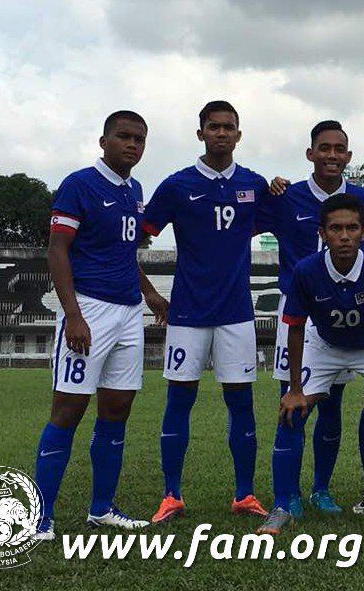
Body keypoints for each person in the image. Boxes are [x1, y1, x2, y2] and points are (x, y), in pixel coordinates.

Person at [33, 111, 168, 540]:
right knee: (68, 411)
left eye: (139, 139)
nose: (132, 144)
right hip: (89, 309)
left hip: (129, 312)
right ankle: (41, 517)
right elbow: (57, 250)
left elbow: (124, 253)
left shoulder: (135, 190)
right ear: (103, 141)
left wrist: (147, 292)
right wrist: (73, 313)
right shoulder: (79, 184)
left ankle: (102, 508)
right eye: (124, 137)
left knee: (116, 412)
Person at [142, 100, 270, 523]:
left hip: (237, 313)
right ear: (200, 133)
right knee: (180, 401)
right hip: (187, 314)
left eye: (228, 127)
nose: (220, 133)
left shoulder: (255, 185)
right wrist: (149, 292)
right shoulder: (177, 185)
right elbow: (131, 241)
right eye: (212, 126)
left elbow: (292, 224)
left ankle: (245, 495)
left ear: (238, 133)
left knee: (242, 404)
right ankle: (172, 495)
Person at [257, 194, 364, 535]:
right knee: (292, 412)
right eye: (336, 228)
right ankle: (282, 505)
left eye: (352, 228)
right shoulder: (306, 270)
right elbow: (295, 327)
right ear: (323, 233)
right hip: (324, 344)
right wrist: (295, 389)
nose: (344, 235)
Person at [256, 120, 364, 517]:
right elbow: (243, 220)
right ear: (309, 153)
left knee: (332, 404)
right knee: (292, 403)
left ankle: (321, 489)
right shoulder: (285, 196)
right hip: (297, 312)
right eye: (323, 147)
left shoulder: (362, 197)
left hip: (344, 308)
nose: (331, 155)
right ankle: (287, 493)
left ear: (348, 155)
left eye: (339, 148)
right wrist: (266, 187)